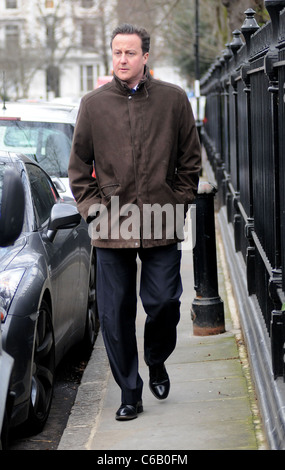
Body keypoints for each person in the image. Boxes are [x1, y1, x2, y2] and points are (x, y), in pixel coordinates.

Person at [68, 23, 201, 421]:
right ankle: (130, 391)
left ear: (145, 57)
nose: (122, 60)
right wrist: (96, 213)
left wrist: (177, 203)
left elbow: (189, 162)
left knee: (163, 303)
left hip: (161, 222)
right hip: (112, 228)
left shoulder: (174, 100)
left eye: (130, 53)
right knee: (113, 315)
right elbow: (78, 170)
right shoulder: (93, 104)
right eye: (117, 53)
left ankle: (156, 359)